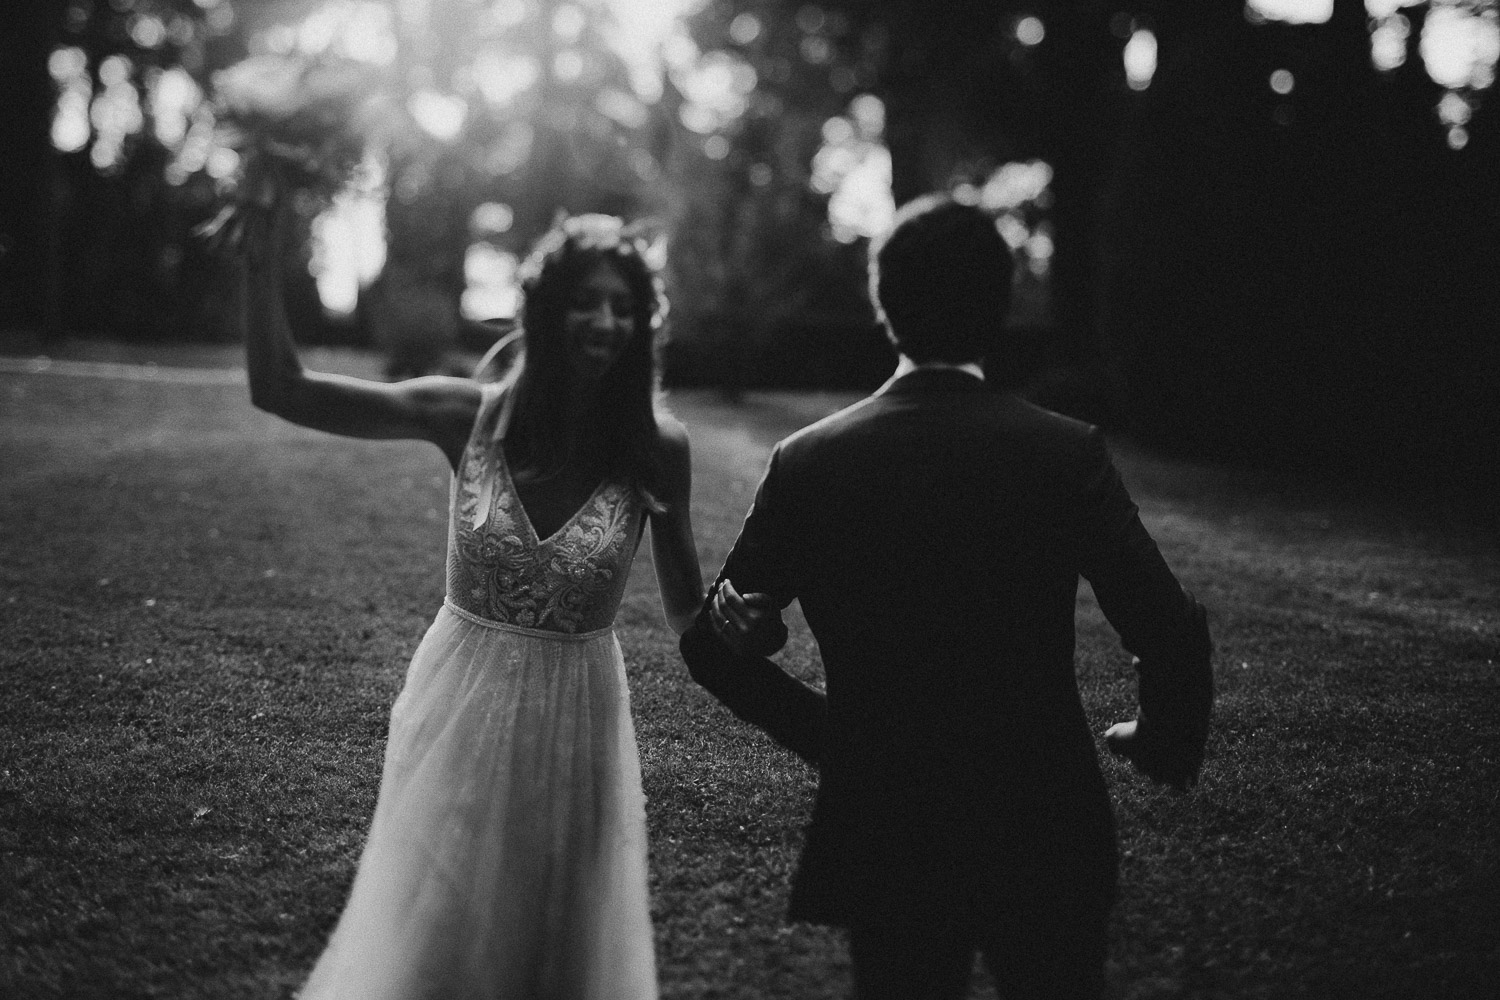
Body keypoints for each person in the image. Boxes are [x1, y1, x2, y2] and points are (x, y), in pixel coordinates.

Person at [679, 194, 1213, 1000]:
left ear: (882, 306)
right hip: (1044, 813)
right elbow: (1167, 629)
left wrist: (835, 734)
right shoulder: (1062, 451)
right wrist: (1162, 738)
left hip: (889, 824)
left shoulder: (810, 462)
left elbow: (710, 648)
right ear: (1000, 307)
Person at [233, 202, 703, 999]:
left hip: (580, 720)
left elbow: (690, 613)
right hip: (461, 704)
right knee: (441, 939)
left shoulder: (656, 447)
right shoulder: (467, 417)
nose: (606, 322)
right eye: (587, 301)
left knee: (551, 950)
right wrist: (257, 264)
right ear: (545, 313)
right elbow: (282, 390)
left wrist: (745, 620)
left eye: (624, 308)